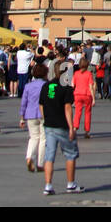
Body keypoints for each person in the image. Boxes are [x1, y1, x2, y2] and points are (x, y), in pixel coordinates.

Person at [41, 66, 83, 195]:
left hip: (49, 125)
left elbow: (41, 105)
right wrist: (71, 127)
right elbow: (67, 108)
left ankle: (48, 185)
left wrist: (45, 119)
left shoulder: (47, 86)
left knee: (49, 155)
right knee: (70, 154)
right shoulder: (66, 87)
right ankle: (70, 184)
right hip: (62, 125)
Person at [19, 62, 49, 172]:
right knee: (43, 139)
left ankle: (29, 157)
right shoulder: (48, 85)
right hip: (44, 114)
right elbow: (51, 99)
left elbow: (24, 102)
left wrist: (22, 117)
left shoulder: (28, 86)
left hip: (30, 114)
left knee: (33, 137)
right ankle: (40, 164)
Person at [72, 57, 94, 138]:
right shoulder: (89, 74)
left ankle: (75, 128)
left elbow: (72, 85)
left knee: (78, 112)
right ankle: (87, 131)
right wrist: (93, 98)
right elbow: (90, 86)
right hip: (87, 95)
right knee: (87, 113)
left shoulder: (76, 73)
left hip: (77, 94)